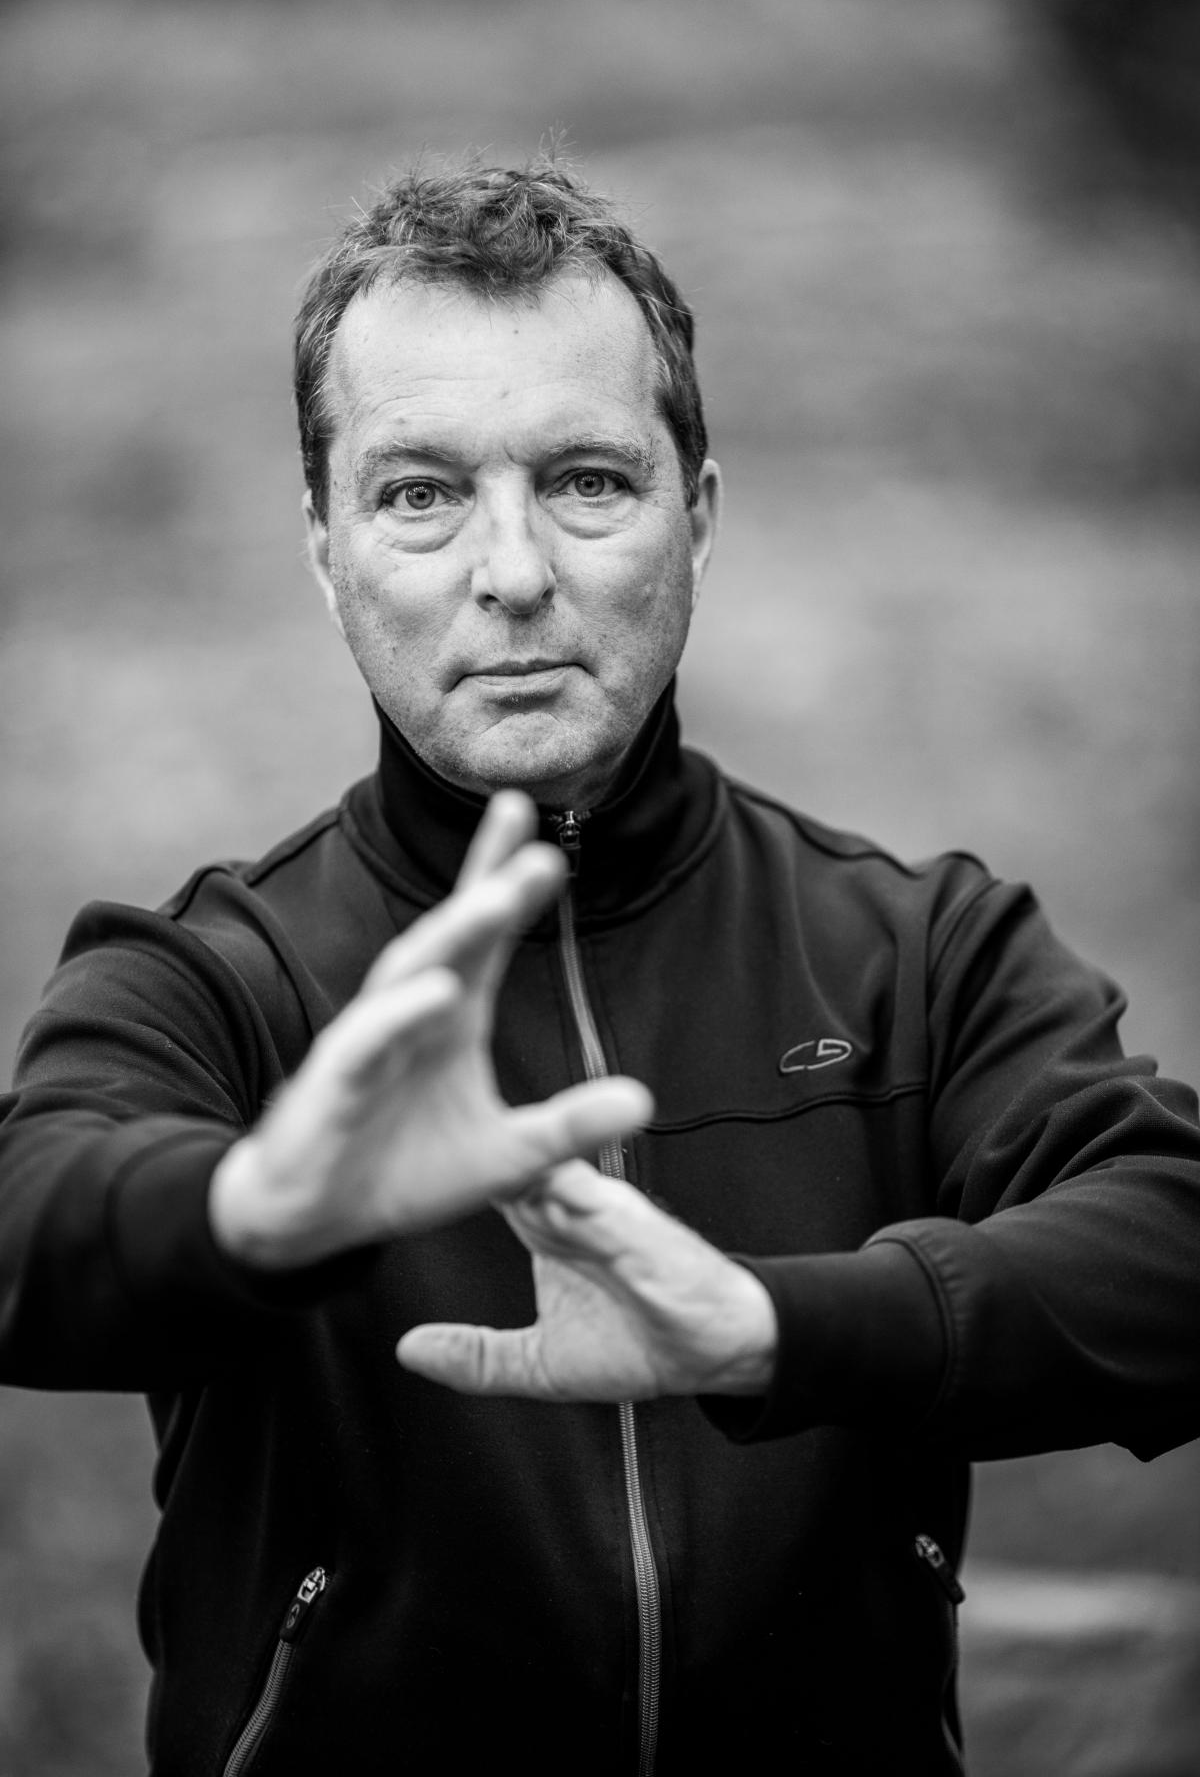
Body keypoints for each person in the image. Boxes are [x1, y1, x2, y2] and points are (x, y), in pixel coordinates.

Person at [3, 155, 1200, 1777]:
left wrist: (774, 1330)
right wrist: (260, 1208)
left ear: (695, 515)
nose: (511, 574)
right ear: (326, 546)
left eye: (585, 480)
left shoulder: (918, 949)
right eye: (420, 492)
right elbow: (30, 1224)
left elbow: (1168, 1245)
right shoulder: (213, 977)